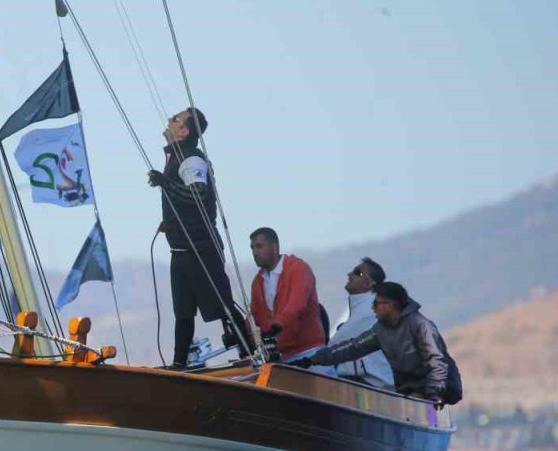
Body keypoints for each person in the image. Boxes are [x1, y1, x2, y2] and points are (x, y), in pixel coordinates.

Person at [147, 107, 253, 368]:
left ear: (184, 130)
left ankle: (251, 353)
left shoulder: (191, 159)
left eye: (175, 118)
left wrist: (164, 182)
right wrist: (171, 222)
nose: (170, 120)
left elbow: (196, 195)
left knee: (223, 305)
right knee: (183, 312)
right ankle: (179, 364)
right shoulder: (177, 157)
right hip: (181, 249)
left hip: (200, 248)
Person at [293, 281, 463, 405]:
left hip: (437, 390)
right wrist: (312, 360)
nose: (372, 308)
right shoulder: (380, 330)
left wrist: (435, 394)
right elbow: (353, 347)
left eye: (376, 303)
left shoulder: (421, 326)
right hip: (407, 391)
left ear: (390, 305)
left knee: (412, 402)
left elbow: (437, 361)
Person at [247, 227, 325, 362]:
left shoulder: (299, 269)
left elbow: (296, 304)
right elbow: (255, 316)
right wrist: (245, 334)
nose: (255, 252)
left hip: (310, 352)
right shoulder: (257, 282)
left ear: (275, 247)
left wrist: (276, 325)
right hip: (281, 356)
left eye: (259, 246)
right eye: (252, 248)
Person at [327, 257, 393, 389]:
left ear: (369, 283)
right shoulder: (365, 307)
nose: (349, 274)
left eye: (358, 272)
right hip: (371, 384)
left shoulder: (369, 311)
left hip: (370, 385)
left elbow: (332, 346)